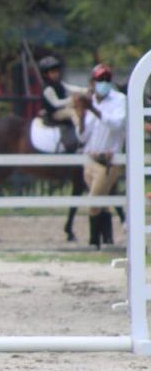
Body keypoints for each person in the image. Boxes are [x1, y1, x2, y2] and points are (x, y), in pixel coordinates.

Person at [77, 63, 126, 249]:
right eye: (100, 80)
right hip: (89, 159)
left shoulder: (119, 100)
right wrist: (81, 116)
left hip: (108, 162)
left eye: (107, 79)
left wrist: (94, 110)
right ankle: (107, 241)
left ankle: (93, 242)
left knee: (93, 203)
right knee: (102, 203)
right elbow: (83, 136)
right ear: (93, 81)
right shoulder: (91, 101)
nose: (103, 83)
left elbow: (116, 124)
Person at [37, 55, 87, 152]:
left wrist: (85, 91)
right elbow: (56, 103)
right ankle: (80, 135)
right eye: (52, 72)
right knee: (72, 112)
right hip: (54, 113)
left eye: (57, 71)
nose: (56, 74)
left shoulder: (59, 83)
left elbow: (71, 88)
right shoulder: (48, 88)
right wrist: (71, 100)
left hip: (61, 108)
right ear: (46, 74)